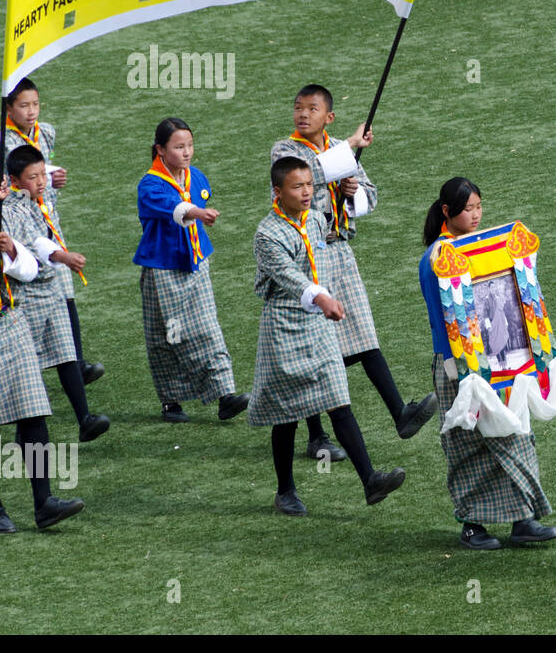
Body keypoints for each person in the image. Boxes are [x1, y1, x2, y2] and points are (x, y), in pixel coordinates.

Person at [271, 84, 436, 463]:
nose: (302, 114)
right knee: (316, 347)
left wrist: (352, 189)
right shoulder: (286, 149)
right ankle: (316, 435)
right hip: (306, 254)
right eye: (298, 107)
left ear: (328, 116)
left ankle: (401, 414)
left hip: (339, 249)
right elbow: (305, 174)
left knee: (363, 333)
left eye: (312, 109)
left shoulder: (340, 151)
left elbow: (369, 199)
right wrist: (347, 148)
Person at [248, 156, 405, 516]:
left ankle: (370, 480)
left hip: (318, 322)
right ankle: (285, 490)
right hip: (285, 324)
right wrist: (322, 297)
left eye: (309, 185)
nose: (306, 192)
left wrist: (348, 196)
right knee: (287, 412)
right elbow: (289, 277)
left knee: (339, 397)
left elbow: (339, 235)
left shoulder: (316, 220)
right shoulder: (267, 235)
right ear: (277, 192)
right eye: (297, 186)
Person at [419, 177, 556, 550]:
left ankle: (522, 519)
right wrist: (457, 362)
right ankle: (471, 524)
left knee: (515, 430)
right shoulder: (436, 258)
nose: (476, 215)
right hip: (457, 365)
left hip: (502, 358)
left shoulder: (482, 250)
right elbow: (442, 318)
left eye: (479, 207)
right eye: (468, 210)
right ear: (447, 212)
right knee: (468, 442)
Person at [0, 165, 85, 533]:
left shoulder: (6, 213)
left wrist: (12, 251)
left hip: (12, 320)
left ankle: (44, 501)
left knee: (32, 411)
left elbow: (29, 269)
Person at [133, 118, 249, 423]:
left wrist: (198, 211)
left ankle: (225, 394)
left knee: (208, 327)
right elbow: (175, 209)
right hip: (162, 270)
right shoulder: (150, 184)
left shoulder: (195, 177)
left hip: (197, 265)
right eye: (179, 147)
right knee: (166, 336)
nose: (187, 152)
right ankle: (170, 401)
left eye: (190, 145)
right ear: (160, 150)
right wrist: (197, 212)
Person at [0, 77, 103, 385]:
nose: (32, 111)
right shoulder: (4, 140)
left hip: (50, 217)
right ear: (9, 108)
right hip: (25, 220)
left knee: (65, 292)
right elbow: (16, 178)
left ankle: (76, 362)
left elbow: (43, 166)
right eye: (24, 105)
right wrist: (49, 177)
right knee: (41, 289)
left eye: (36, 104)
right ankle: (40, 362)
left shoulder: (48, 132)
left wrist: (54, 178)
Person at [2, 146, 109, 442]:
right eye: (32, 177)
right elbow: (33, 244)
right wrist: (63, 257)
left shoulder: (41, 197)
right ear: (13, 179)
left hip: (52, 287)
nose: (40, 182)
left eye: (42, 175)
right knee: (29, 363)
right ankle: (25, 427)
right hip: (29, 294)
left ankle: (84, 418)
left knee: (66, 352)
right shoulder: (11, 209)